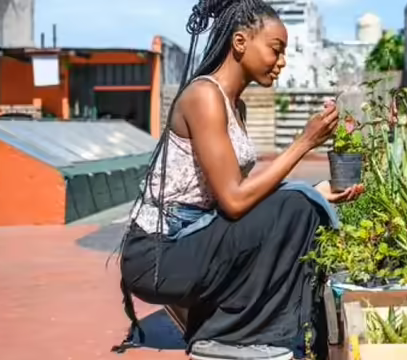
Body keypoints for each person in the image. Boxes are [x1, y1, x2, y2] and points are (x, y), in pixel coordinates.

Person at [112, 1, 363, 359]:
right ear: (241, 42)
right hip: (158, 254)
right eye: (275, 50)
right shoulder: (205, 97)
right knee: (295, 206)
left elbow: (243, 198)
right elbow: (234, 201)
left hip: (194, 236)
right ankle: (231, 337)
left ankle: (230, 326)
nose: (282, 62)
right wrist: (304, 143)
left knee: (301, 205)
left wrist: (316, 192)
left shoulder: (234, 104)